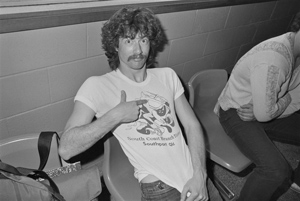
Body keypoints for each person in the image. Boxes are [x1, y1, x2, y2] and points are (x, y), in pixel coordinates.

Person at [58, 6, 222, 201]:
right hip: (160, 186)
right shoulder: (98, 85)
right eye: (129, 41)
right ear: (115, 46)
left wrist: (200, 174)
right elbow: (66, 149)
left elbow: (192, 125)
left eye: (143, 40)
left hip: (195, 172)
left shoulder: (167, 76)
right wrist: (115, 116)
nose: (138, 49)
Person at [214, 11, 300, 201]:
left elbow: (295, 100)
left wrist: (274, 106)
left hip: (265, 111)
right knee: (276, 170)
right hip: (237, 111)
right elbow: (265, 112)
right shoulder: (274, 58)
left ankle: (298, 180)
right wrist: (269, 108)